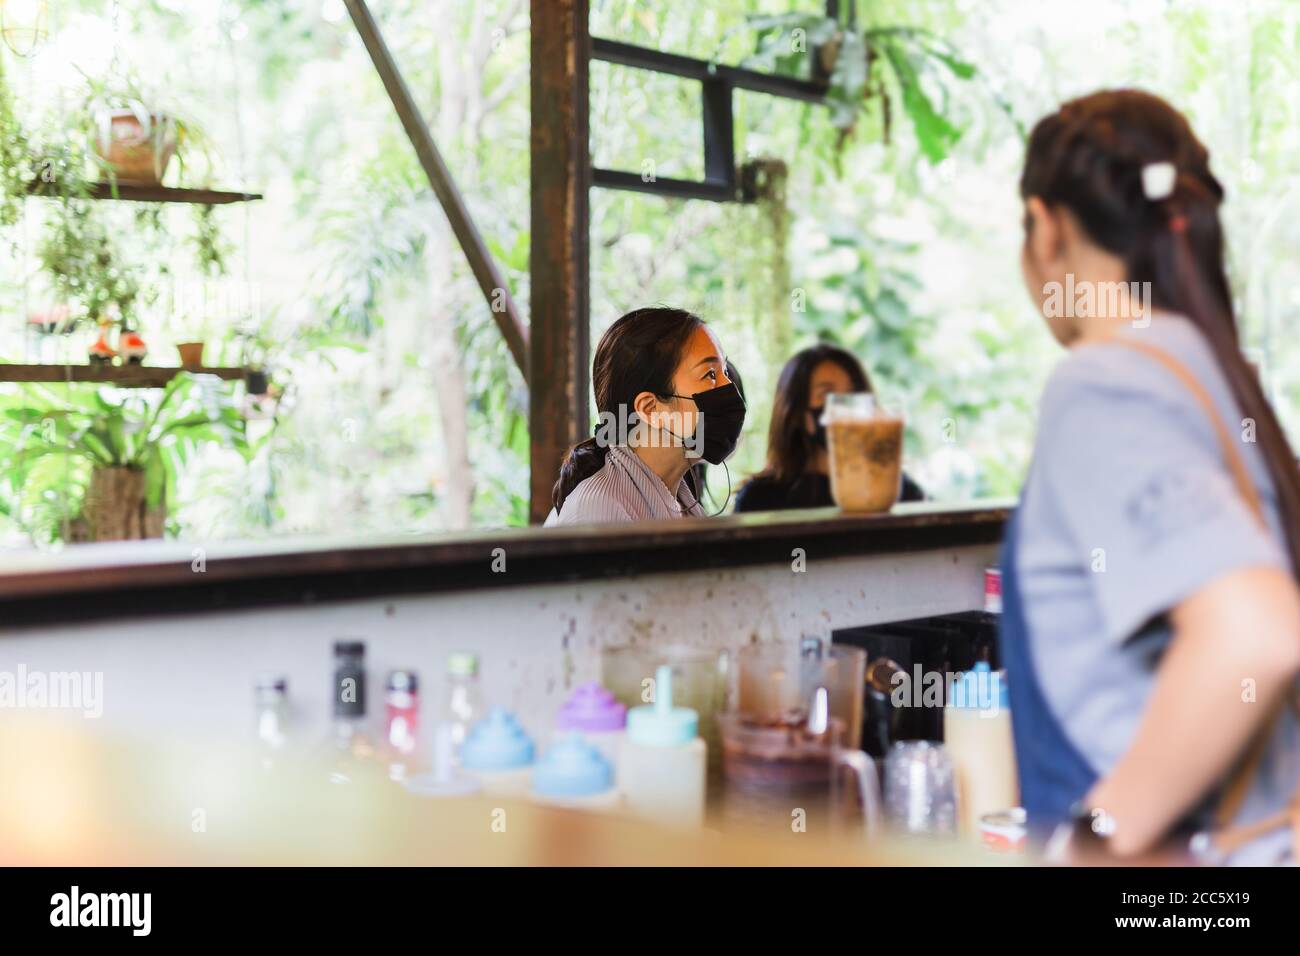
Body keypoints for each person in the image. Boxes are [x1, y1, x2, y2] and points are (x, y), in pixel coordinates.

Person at [1003, 89, 1300, 864]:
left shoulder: (1104, 383)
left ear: (1047, 227)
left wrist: (1095, 840)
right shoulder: (1214, 376)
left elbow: (1257, 631)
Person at [546, 307, 746, 526]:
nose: (730, 387)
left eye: (724, 372)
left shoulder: (682, 501)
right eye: (709, 375)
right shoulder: (599, 510)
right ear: (651, 408)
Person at [734, 344, 924, 512]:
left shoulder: (897, 492)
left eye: (853, 394)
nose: (845, 408)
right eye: (828, 395)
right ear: (799, 414)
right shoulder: (760, 500)